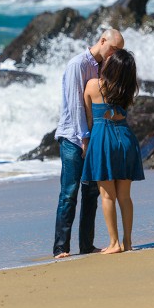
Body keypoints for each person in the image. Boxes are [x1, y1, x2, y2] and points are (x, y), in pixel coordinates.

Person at [53, 28, 125, 258]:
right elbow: (75, 105)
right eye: (113, 49)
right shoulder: (78, 65)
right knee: (69, 192)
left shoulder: (103, 66)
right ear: (102, 41)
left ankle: (86, 245)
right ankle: (61, 248)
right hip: (73, 138)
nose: (114, 55)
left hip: (93, 138)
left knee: (91, 191)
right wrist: (85, 139)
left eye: (118, 52)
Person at [81, 49, 145, 254]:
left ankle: (114, 243)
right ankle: (128, 242)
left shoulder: (93, 85)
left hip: (103, 139)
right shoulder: (127, 89)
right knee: (124, 197)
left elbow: (89, 120)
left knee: (107, 196)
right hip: (125, 139)